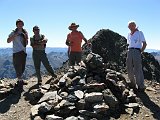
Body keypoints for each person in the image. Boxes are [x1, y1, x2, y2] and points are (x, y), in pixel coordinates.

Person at [126, 21, 147, 92]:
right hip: (130, 50)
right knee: (129, 67)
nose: (130, 27)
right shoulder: (129, 34)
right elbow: (128, 43)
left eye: (132, 25)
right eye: (129, 26)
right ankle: (132, 83)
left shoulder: (139, 33)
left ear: (135, 26)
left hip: (136, 50)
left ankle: (141, 85)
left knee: (138, 68)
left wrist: (141, 51)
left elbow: (144, 43)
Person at [7, 19, 28, 88]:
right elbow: (8, 41)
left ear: (23, 24)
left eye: (21, 23)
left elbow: (26, 43)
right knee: (18, 67)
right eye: (18, 24)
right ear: (16, 25)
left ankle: (20, 80)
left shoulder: (25, 32)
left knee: (23, 67)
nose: (20, 25)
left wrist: (26, 37)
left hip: (23, 51)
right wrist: (15, 35)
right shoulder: (13, 32)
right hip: (16, 52)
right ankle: (19, 82)